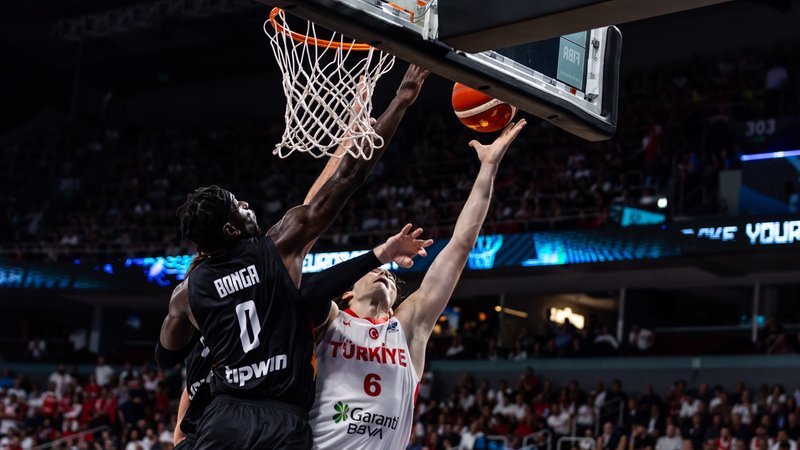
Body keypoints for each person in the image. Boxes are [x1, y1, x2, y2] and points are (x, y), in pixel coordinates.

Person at [156, 65, 429, 450]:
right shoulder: (276, 248)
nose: (247, 204)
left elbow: (166, 356)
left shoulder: (186, 293)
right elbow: (347, 180)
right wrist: (400, 101)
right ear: (231, 230)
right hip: (281, 419)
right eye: (238, 206)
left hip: (225, 416)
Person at [308, 119, 527, 449]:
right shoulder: (330, 320)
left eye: (395, 280)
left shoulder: (407, 329)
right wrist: (345, 147)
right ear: (348, 290)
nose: (386, 275)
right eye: (378, 270)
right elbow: (307, 227)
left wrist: (488, 168)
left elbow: (459, 247)